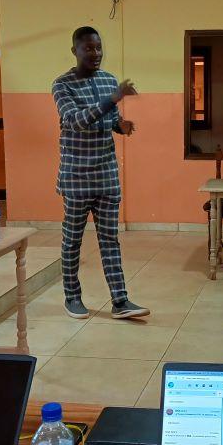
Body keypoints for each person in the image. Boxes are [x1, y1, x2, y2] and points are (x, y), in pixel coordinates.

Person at [52, 26, 150, 320]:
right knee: (73, 240)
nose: (95, 54)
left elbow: (110, 119)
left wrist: (121, 125)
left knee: (110, 239)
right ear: (75, 51)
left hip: (106, 175)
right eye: (88, 48)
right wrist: (113, 98)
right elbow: (76, 121)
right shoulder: (62, 85)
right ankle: (72, 297)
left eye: (98, 48)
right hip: (76, 177)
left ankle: (120, 301)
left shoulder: (108, 80)